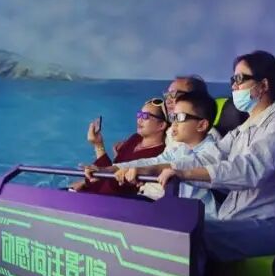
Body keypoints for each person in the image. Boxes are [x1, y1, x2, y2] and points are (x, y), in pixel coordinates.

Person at [148, 51, 275, 261]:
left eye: (239, 79)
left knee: (190, 235)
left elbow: (248, 170)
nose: (234, 86)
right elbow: (206, 157)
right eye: (233, 80)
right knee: (171, 228)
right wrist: (142, 169)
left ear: (263, 85)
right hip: (239, 219)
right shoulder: (242, 130)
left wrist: (184, 174)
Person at [92, 91, 220, 217]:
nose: (173, 124)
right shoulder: (181, 150)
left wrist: (144, 170)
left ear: (201, 125)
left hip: (202, 221)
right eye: (173, 117)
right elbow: (151, 161)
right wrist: (107, 169)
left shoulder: (213, 152)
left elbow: (184, 165)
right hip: (177, 213)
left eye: (180, 117)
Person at [73, 98, 167, 196]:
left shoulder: (159, 154)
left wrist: (88, 182)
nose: (139, 120)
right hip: (96, 189)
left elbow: (117, 184)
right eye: (139, 114)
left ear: (161, 125)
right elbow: (111, 169)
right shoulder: (135, 138)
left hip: (109, 199)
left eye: (145, 116)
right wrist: (98, 144)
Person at [162, 75, 220, 151]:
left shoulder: (210, 136)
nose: (167, 101)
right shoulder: (171, 132)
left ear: (193, 97)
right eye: (167, 95)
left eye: (173, 94)